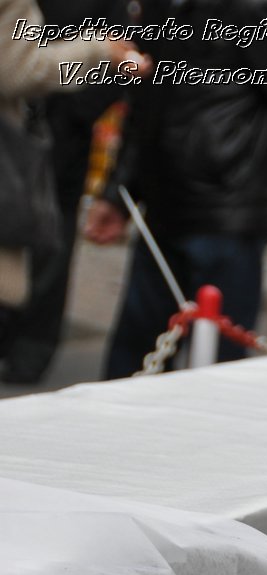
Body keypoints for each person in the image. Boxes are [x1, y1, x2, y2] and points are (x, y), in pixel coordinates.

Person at [87, 0, 267, 378]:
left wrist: (265, 171)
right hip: (163, 208)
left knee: (217, 368)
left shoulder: (254, 9)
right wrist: (118, 193)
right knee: (134, 364)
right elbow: (144, 105)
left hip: (228, 212)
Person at [0, 0, 132, 364]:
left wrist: (74, 118)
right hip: (20, 133)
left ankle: (31, 344)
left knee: (49, 235)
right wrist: (98, 50)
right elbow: (16, 68)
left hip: (58, 132)